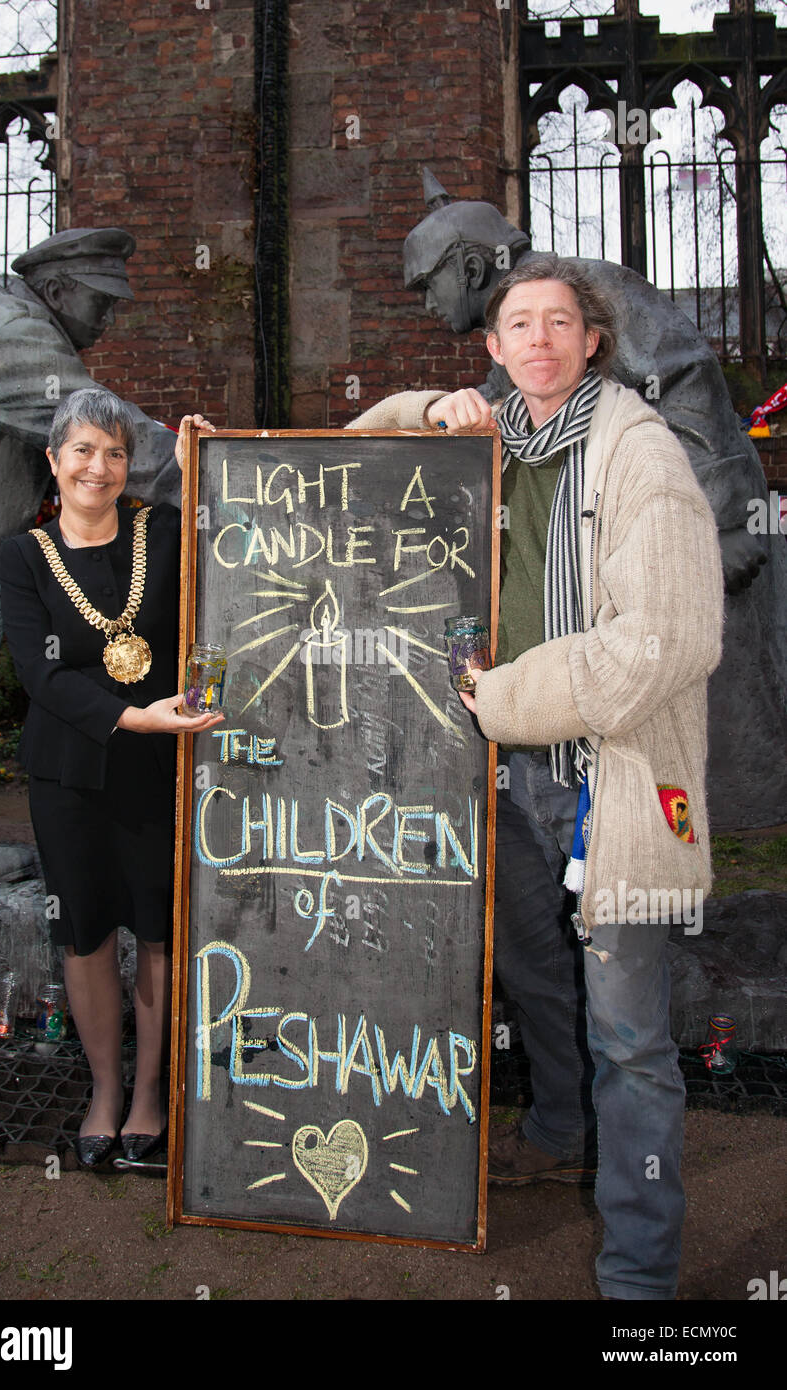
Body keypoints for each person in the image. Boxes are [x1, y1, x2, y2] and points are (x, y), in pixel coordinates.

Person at [350, 253, 724, 1300]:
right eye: (520, 325)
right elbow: (341, 458)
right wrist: (435, 410)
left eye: (561, 323)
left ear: (592, 340)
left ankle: (639, 1276)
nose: (541, 341)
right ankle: (558, 1132)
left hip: (609, 780)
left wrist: (505, 698)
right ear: (493, 346)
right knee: (535, 976)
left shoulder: (637, 454)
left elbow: (670, 637)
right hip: (500, 780)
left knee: (630, 1037)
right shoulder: (488, 436)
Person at [401, 171, 787, 830]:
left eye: (427, 284)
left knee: (711, 743)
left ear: (467, 265)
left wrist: (715, 522)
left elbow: (684, 376)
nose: (425, 304)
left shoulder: (588, 290)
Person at [0, 388, 220, 1167]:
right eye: (83, 450)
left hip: (158, 767)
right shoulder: (19, 555)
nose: (100, 466)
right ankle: (103, 1091)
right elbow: (41, 678)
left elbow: (236, 534)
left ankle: (150, 1094)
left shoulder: (163, 533)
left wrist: (202, 467)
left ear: (131, 465)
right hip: (68, 773)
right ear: (54, 462)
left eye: (116, 452)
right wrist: (132, 717)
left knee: (158, 931)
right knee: (85, 934)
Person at [0, 228, 181, 884]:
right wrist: (224, 473)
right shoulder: (13, 335)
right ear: (59, 290)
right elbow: (98, 434)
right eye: (103, 300)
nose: (112, 314)